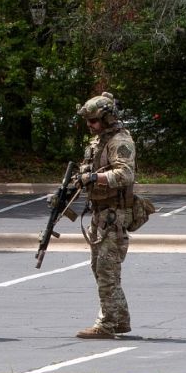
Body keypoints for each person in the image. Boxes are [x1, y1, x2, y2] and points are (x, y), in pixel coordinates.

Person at [70, 92, 135, 339]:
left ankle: (106, 324)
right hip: (99, 213)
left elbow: (125, 174)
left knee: (107, 270)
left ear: (107, 119)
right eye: (88, 122)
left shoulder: (120, 142)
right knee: (101, 269)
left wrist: (96, 177)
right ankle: (120, 319)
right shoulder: (99, 142)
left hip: (114, 215)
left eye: (94, 121)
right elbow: (85, 171)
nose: (90, 125)